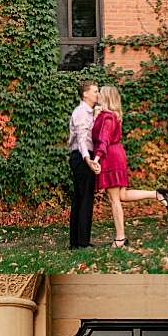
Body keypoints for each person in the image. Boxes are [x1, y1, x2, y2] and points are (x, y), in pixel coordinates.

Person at [91, 84, 168, 248]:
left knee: (114, 199)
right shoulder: (110, 115)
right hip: (116, 153)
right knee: (121, 195)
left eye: (101, 93)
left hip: (110, 156)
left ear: (106, 97)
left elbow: (103, 139)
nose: (98, 95)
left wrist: (97, 159)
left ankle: (120, 239)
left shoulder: (107, 117)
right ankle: (157, 195)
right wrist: (95, 115)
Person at [67, 79, 101, 250]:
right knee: (85, 200)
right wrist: (88, 160)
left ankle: (77, 242)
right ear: (85, 94)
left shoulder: (88, 113)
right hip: (82, 157)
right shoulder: (80, 112)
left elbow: (88, 134)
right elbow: (81, 140)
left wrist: (95, 118)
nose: (98, 94)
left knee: (80, 200)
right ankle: (82, 243)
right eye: (95, 91)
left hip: (82, 157)